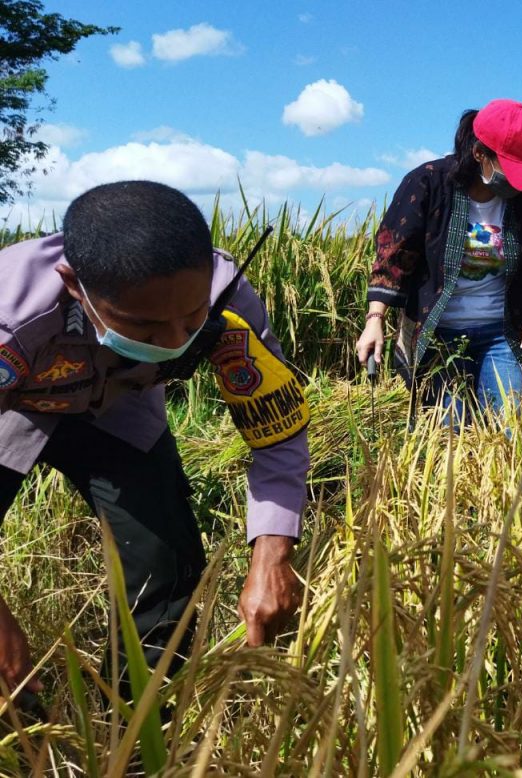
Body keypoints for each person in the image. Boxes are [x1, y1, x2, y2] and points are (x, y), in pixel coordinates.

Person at [0, 181, 311, 701]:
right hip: (16, 412)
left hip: (122, 414)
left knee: (165, 570)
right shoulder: (10, 317)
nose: (173, 343)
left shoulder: (223, 295)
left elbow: (275, 428)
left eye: (188, 322)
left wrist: (273, 552)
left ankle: (136, 728)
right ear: (75, 286)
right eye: (144, 328)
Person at [356, 100, 522, 427]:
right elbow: (392, 256)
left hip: (501, 333)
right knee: (446, 434)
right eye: (510, 169)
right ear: (481, 154)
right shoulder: (428, 184)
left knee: (514, 431)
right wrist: (374, 319)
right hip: (438, 335)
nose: (517, 183)